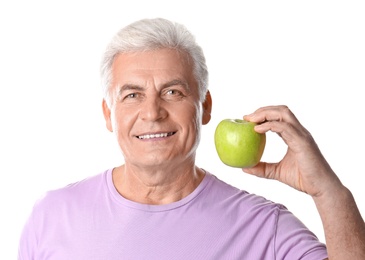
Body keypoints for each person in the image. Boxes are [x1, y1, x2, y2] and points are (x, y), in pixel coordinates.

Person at [18, 18, 365, 260]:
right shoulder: (51, 216)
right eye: (132, 95)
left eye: (172, 92)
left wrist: (328, 191)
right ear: (109, 114)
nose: (152, 112)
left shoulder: (264, 227)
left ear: (205, 107)